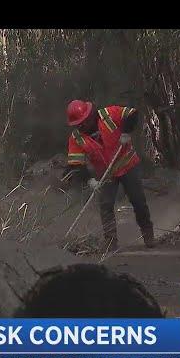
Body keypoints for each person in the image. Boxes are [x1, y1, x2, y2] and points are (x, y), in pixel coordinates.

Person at [62, 99, 155, 251]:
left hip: (127, 164)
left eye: (84, 122)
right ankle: (111, 242)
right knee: (105, 205)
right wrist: (89, 180)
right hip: (107, 173)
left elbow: (132, 113)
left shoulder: (109, 114)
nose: (82, 126)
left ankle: (148, 233)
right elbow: (76, 164)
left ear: (90, 116)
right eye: (78, 124)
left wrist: (126, 131)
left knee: (138, 200)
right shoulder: (76, 138)